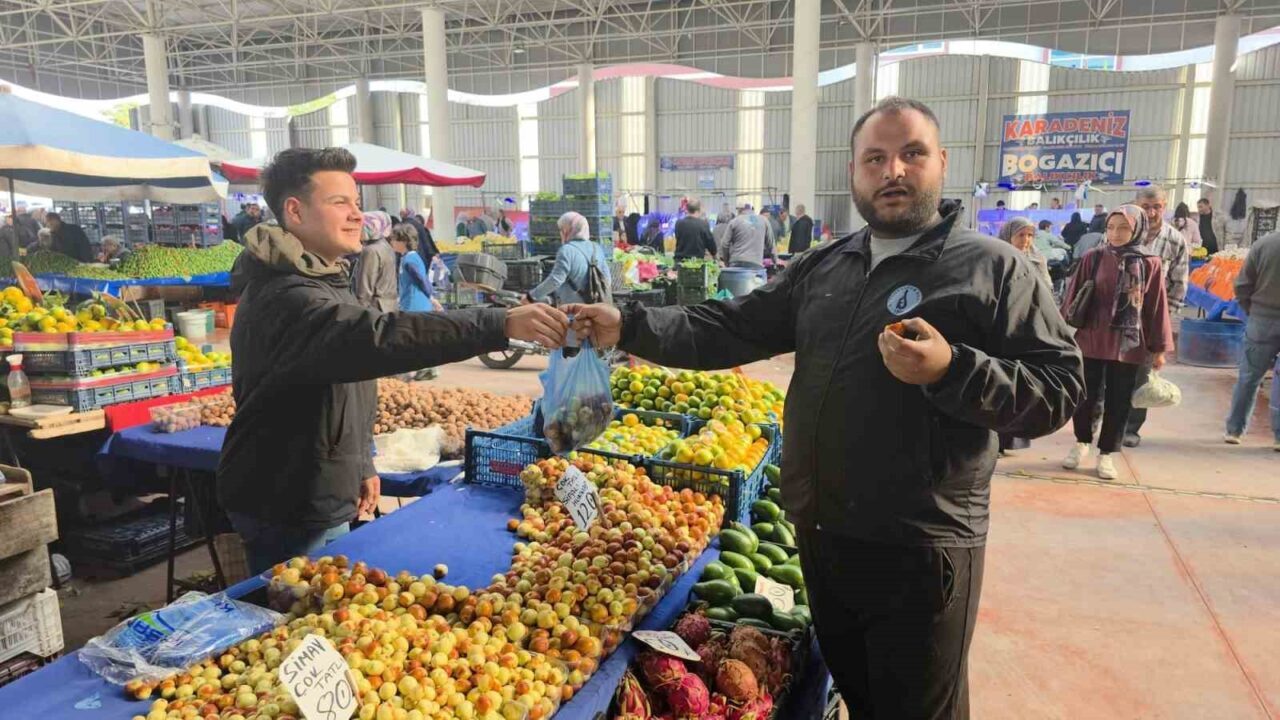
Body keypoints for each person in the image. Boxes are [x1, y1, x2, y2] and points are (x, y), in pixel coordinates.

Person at [564, 96, 1083, 719]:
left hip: (920, 548)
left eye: (912, 153)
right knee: (859, 697)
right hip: (825, 535)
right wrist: (629, 326)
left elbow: (1060, 387)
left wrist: (953, 370)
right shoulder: (826, 266)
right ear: (853, 172)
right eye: (875, 158)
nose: (893, 170)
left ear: (942, 162)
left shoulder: (992, 269)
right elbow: (728, 327)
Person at [217, 147, 569, 574]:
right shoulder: (288, 298)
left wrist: (359, 462)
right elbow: (379, 337)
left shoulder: (322, 277)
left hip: (319, 484)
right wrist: (500, 323)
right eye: (339, 202)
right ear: (295, 211)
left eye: (357, 202)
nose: (357, 215)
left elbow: (345, 381)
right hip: (286, 494)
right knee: (290, 606)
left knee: (325, 595)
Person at [1061, 205, 1173, 479]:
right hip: (1092, 338)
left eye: (1123, 228)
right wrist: (1060, 335)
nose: (1115, 234)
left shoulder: (1150, 263)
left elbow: (1156, 307)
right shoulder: (1094, 257)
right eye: (1111, 227)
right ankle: (1081, 442)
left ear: (1137, 229)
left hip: (1128, 344)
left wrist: (1158, 349)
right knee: (1085, 396)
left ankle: (1107, 454)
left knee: (1119, 400)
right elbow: (1072, 297)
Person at [1124, 186, 1188, 447]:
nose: (1151, 213)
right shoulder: (1122, 232)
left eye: (1157, 207)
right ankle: (1101, 421)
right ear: (1136, 205)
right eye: (1146, 207)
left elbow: (1179, 283)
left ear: (1165, 206)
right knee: (1109, 371)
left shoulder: (1175, 240)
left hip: (1150, 320)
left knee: (1143, 374)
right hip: (1118, 316)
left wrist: (1164, 322)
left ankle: (1130, 429)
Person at [1224, 229, 1280, 449]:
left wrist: (1252, 310)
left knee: (1249, 378)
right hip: (1261, 316)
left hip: (1261, 320)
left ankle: (1234, 430)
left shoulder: (1264, 244)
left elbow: (1242, 285)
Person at [390, 223, 444, 381]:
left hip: (415, 304)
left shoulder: (410, 259)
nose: (392, 242)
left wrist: (431, 298)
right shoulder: (406, 258)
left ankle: (408, 371)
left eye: (394, 239)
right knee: (419, 336)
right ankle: (428, 368)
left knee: (409, 337)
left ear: (403, 241)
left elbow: (421, 280)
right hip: (411, 302)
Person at [525, 212, 612, 305]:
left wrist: (531, 296)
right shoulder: (596, 248)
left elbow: (555, 280)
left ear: (567, 230)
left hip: (573, 309)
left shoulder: (566, 250)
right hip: (597, 307)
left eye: (561, 229)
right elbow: (607, 279)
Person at [352, 211, 399, 313]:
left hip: (376, 308)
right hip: (390, 306)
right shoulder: (387, 246)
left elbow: (365, 287)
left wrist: (359, 312)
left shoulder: (370, 251)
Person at [719, 203, 774, 269]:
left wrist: (726, 261)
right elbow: (771, 245)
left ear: (740, 210)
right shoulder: (764, 221)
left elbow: (724, 244)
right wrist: (775, 262)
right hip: (755, 263)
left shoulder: (734, 221)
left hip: (736, 262)